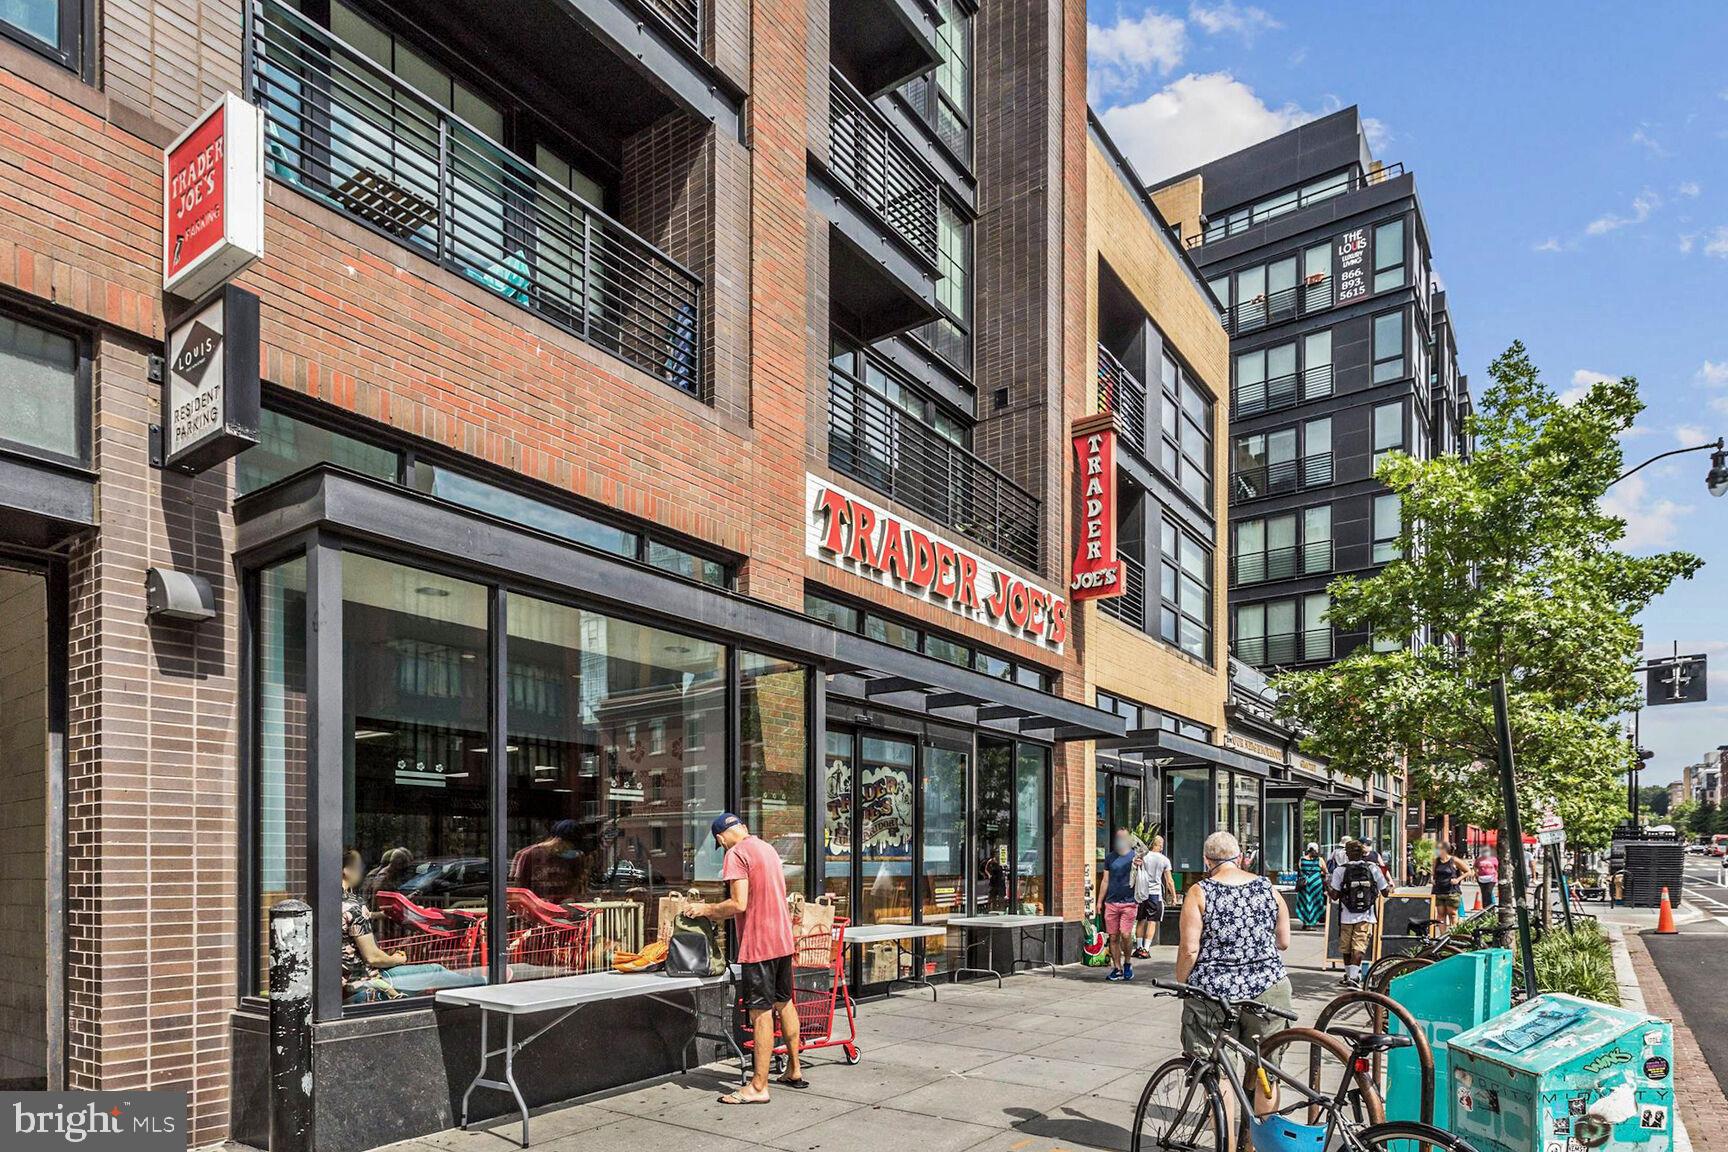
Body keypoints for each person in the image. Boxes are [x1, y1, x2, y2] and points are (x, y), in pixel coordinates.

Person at [1175, 831, 1292, 1123]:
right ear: (1240, 857)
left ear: (1206, 860)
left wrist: (1182, 983)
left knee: (1219, 1075)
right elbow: (1284, 941)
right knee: (1267, 1072)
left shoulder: (1200, 892)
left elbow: (1190, 949)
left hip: (1215, 994)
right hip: (1268, 987)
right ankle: (1258, 1144)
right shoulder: (1267, 888)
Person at [689, 813, 802, 1104]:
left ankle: (758, 1086)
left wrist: (705, 910)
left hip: (759, 944)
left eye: (720, 842)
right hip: (782, 939)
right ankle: (794, 1069)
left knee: (760, 1012)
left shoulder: (736, 853)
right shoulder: (767, 848)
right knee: (784, 1002)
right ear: (744, 827)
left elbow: (739, 903)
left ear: (720, 838)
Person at [340, 849, 482, 1003]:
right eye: (358, 867)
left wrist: (379, 915)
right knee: (435, 970)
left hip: (342, 984)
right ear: (346, 871)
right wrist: (396, 960)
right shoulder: (353, 905)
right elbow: (373, 957)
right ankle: (486, 984)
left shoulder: (325, 903)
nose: (362, 871)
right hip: (366, 982)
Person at [1329, 840, 1389, 988]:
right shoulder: (1373, 868)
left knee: (1346, 946)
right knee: (1359, 945)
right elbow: (1386, 892)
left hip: (1346, 914)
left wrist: (1327, 887)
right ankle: (1354, 977)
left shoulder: (1340, 871)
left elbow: (1335, 896)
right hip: (1366, 915)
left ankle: (1350, 976)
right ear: (1363, 853)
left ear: (1347, 854)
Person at [1097, 828, 1140, 981]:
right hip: (1111, 902)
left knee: (1126, 934)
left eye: (1123, 837)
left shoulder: (1135, 856)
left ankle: (1127, 962)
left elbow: (1143, 874)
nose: (1120, 840)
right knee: (1113, 937)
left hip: (1129, 902)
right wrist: (1099, 901)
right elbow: (1105, 880)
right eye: (1118, 837)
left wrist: (1140, 864)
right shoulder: (1110, 858)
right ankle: (1117, 967)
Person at [509, 819, 586, 901]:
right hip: (536, 908)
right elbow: (519, 889)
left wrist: (572, 898)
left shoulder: (575, 857)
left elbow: (577, 884)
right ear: (558, 840)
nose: (568, 850)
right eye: (567, 846)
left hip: (564, 908)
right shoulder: (528, 855)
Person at [1133, 835, 1176, 959]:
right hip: (1155, 893)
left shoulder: (1144, 856)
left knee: (1140, 920)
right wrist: (1173, 896)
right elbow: (1169, 880)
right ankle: (1146, 949)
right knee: (1152, 921)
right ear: (1161, 846)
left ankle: (1138, 947)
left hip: (1141, 892)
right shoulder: (1164, 860)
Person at [1430, 842, 1471, 930]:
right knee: (1440, 915)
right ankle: (1442, 938)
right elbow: (1433, 873)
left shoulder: (1454, 860)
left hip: (1452, 892)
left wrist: (1458, 880)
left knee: (1452, 914)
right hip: (1438, 891)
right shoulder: (1436, 860)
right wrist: (1432, 879)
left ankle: (1453, 936)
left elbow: (1468, 871)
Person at [1295, 843, 1327, 928]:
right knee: (1315, 903)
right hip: (1316, 884)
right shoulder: (1319, 860)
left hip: (1304, 884)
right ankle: (1311, 923)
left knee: (1305, 903)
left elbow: (1300, 870)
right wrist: (1318, 873)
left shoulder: (1302, 859)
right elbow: (1325, 871)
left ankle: (1306, 922)